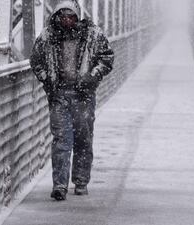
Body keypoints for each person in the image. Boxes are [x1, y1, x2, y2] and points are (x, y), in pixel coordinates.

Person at [30, 0, 114, 201]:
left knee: (83, 139)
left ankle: (80, 182)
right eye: (63, 16)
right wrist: (47, 80)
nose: (67, 20)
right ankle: (60, 185)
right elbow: (36, 60)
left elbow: (107, 58)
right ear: (57, 16)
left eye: (71, 16)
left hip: (83, 97)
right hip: (59, 96)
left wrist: (92, 76)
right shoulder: (47, 36)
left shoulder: (92, 35)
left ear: (77, 16)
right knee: (61, 140)